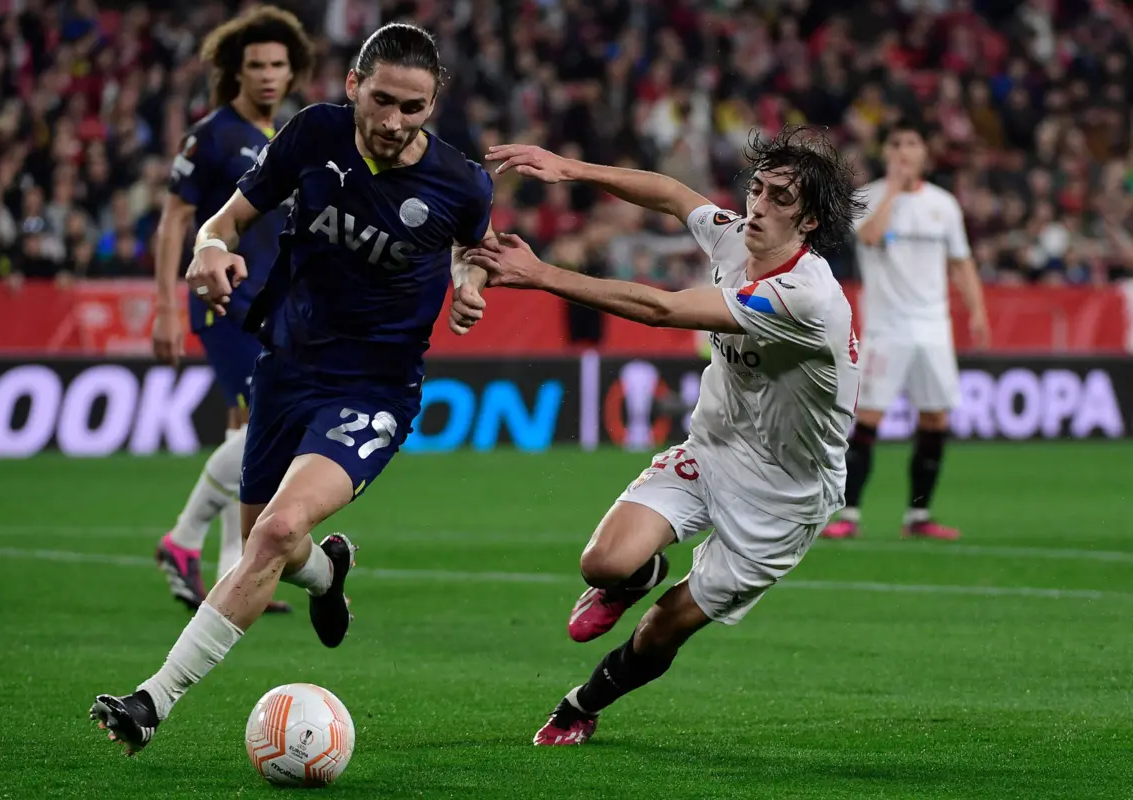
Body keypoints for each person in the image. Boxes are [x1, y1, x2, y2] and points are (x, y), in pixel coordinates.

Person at [91, 22, 494, 755]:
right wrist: (210, 251)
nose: (394, 123)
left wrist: (469, 283)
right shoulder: (312, 136)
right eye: (382, 101)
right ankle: (329, 570)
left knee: (274, 532)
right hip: (286, 364)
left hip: (375, 387)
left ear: (433, 106)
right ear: (352, 87)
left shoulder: (461, 182)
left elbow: (473, 246)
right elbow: (227, 218)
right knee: (265, 542)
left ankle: (153, 699)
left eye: (413, 108)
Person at [468, 128, 864, 746]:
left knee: (664, 630)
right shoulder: (739, 236)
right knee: (601, 563)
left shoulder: (806, 297)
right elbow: (673, 194)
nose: (757, 206)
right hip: (713, 451)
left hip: (786, 496)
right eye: (756, 189)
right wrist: (566, 165)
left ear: (809, 219)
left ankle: (582, 703)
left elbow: (663, 311)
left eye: (779, 199)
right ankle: (637, 575)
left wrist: (543, 274)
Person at [151, 5, 313, 614]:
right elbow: (174, 221)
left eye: (278, 64)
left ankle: (232, 571)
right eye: (256, 66)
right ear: (235, 71)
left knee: (245, 432)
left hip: (273, 305)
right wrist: (166, 307)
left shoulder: (291, 134)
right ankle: (182, 539)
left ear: (292, 70)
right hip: (223, 302)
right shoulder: (213, 134)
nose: (268, 75)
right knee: (259, 435)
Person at [820, 119, 989, 542]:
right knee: (869, 418)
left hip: (934, 326)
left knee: (934, 419)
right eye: (895, 144)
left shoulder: (943, 205)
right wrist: (893, 190)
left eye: (911, 143)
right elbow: (871, 238)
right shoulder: (868, 198)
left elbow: (961, 260)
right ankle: (849, 514)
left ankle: (918, 517)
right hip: (886, 328)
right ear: (887, 153)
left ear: (924, 153)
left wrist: (978, 310)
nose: (903, 151)